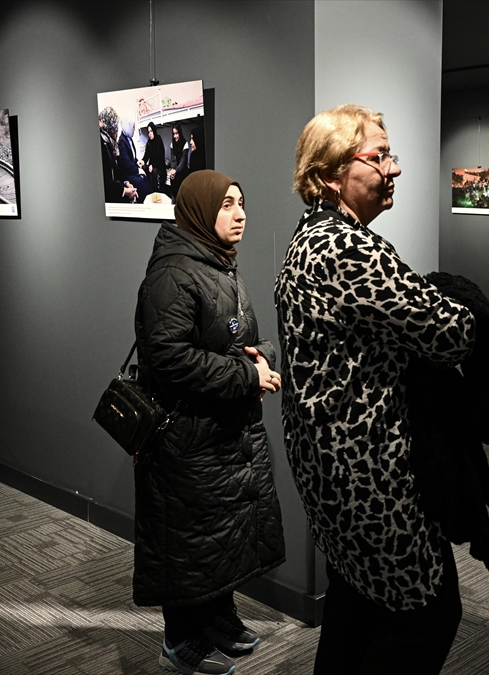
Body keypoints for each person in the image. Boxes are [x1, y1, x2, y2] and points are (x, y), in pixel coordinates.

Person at [275, 104, 476, 674]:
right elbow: (451, 333)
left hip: (327, 471)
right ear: (330, 174)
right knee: (428, 614)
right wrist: (461, 304)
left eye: (392, 155)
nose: (395, 168)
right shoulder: (349, 249)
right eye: (379, 156)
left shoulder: (307, 240)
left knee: (357, 601)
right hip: (370, 479)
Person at [134, 170, 286, 675]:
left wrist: (261, 359)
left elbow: (241, 338)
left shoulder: (220, 263)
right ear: (200, 212)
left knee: (220, 537)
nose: (240, 214)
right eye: (226, 205)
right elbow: (168, 359)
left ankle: (217, 619)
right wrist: (246, 374)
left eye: (241, 202)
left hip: (221, 433)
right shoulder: (173, 274)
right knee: (187, 543)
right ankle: (180, 642)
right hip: (187, 438)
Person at [142, 122, 167, 194]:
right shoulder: (149, 143)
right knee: (145, 169)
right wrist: (142, 161)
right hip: (152, 167)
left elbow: (161, 158)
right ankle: (151, 192)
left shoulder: (159, 140)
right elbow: (146, 156)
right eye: (148, 132)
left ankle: (157, 192)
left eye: (151, 131)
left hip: (160, 166)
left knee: (155, 171)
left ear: (154, 131)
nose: (150, 134)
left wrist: (153, 165)